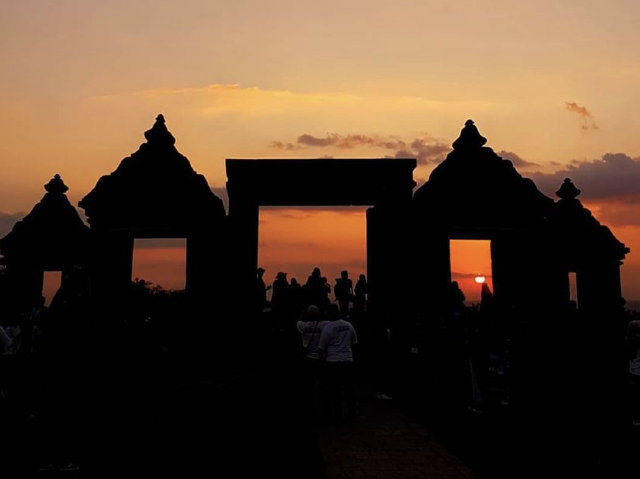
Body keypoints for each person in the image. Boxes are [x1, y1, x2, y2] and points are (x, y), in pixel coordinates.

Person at [318, 303, 358, 420]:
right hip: (347, 361)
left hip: (333, 362)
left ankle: (337, 414)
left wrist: (322, 365)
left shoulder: (328, 328)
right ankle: (352, 413)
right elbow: (355, 344)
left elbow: (321, 349)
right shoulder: (349, 326)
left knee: (335, 391)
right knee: (349, 389)